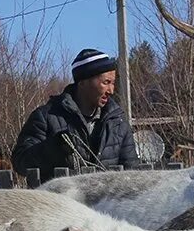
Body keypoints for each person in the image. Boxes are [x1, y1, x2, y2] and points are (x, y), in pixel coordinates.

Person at [12, 48, 138, 181]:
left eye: (113, 83)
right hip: (59, 200)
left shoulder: (118, 121)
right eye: (105, 83)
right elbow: (20, 162)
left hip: (107, 201)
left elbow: (132, 172)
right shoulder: (46, 117)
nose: (111, 90)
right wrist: (52, 149)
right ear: (82, 83)